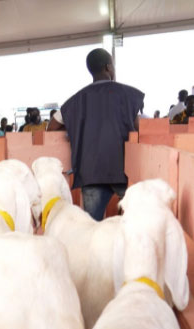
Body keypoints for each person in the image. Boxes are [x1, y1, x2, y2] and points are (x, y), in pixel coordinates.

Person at [47, 48, 144, 221]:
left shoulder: (76, 99)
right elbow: (139, 129)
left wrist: (74, 130)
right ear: (108, 67)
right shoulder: (127, 94)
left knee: (91, 225)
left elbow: (52, 127)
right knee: (134, 221)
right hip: (122, 169)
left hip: (90, 171)